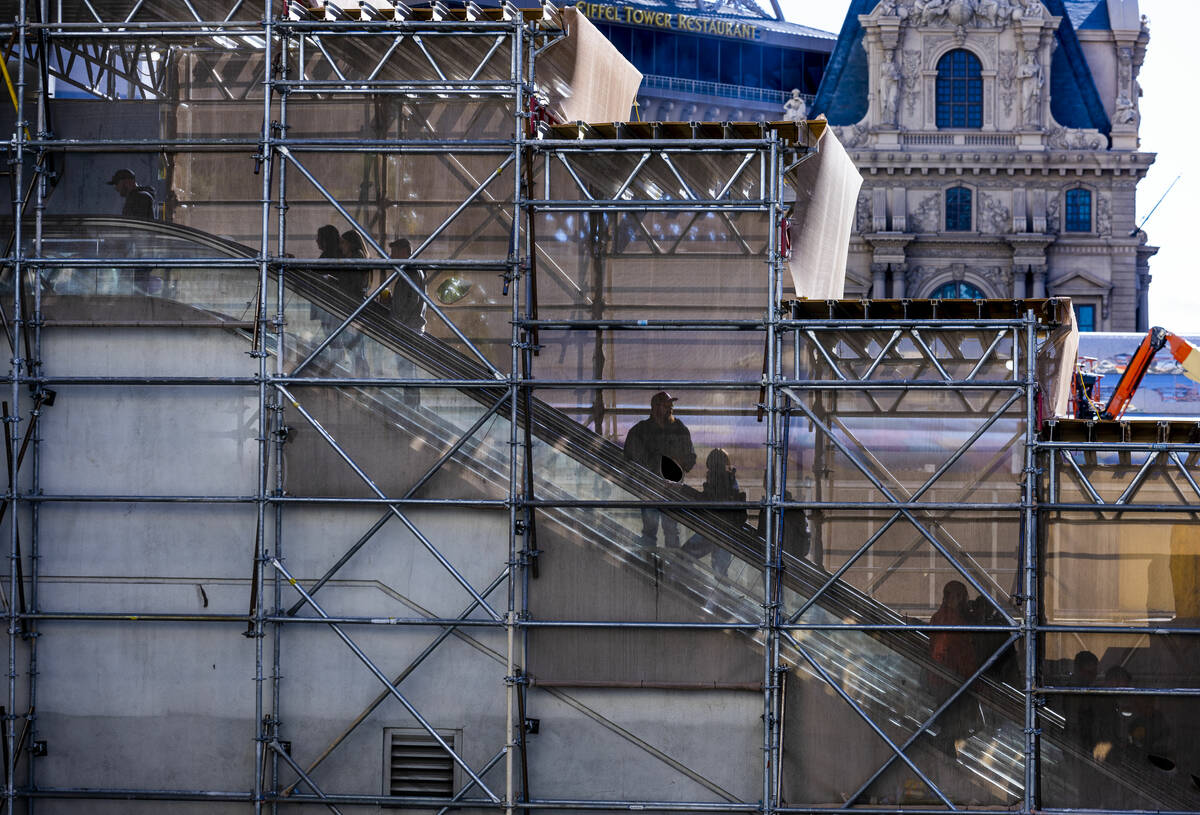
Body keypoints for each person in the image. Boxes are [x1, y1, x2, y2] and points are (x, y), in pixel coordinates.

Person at [623, 391, 696, 548]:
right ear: (655, 408)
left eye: (671, 405)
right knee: (653, 530)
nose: (670, 408)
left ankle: (668, 566)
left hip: (668, 489)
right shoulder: (642, 430)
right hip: (651, 489)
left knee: (669, 531)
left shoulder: (678, 428)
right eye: (666, 405)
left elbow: (690, 458)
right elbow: (631, 458)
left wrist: (678, 467)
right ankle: (651, 565)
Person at [682, 448, 746, 576]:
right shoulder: (730, 479)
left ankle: (695, 580)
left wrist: (683, 490)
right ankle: (721, 593)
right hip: (727, 531)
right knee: (720, 570)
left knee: (684, 555)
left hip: (714, 528)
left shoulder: (718, 478)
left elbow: (707, 500)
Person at [388, 238, 427, 333]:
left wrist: (398, 322)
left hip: (408, 329)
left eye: (394, 252)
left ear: (403, 252)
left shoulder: (412, 272)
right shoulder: (409, 271)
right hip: (409, 327)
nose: (391, 256)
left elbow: (412, 300)